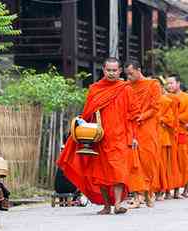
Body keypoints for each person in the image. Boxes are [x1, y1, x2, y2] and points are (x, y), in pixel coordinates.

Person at [58, 57, 144, 215]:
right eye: (108, 70)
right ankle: (106, 205)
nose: (111, 73)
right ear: (104, 70)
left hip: (120, 137)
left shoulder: (126, 89)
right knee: (100, 173)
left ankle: (118, 204)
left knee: (119, 171)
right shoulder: (95, 89)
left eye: (115, 70)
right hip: (99, 137)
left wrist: (133, 136)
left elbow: (134, 115)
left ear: (120, 71)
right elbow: (87, 113)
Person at [125, 61, 161, 207]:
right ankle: (138, 195)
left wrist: (143, 116)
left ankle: (149, 192)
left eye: (131, 73)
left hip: (147, 127)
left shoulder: (152, 85)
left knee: (147, 160)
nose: (128, 76)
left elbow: (155, 107)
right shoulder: (127, 86)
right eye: (127, 74)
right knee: (134, 161)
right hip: (133, 127)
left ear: (138, 70)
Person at [167, 74, 188, 199]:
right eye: (167, 84)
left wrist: (172, 119)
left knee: (181, 162)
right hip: (168, 133)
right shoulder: (165, 97)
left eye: (171, 83)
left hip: (181, 133)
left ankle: (178, 190)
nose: (169, 86)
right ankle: (167, 190)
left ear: (178, 83)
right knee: (168, 162)